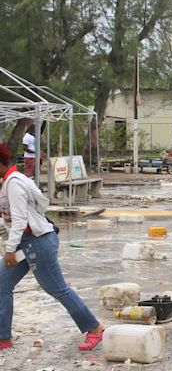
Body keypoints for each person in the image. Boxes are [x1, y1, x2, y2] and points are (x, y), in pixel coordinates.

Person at [0, 143, 104, 351]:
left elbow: (20, 220)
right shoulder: (10, 182)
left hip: (37, 243)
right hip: (26, 243)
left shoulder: (14, 183)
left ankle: (94, 328)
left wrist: (9, 249)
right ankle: (3, 338)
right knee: (1, 283)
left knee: (57, 288)